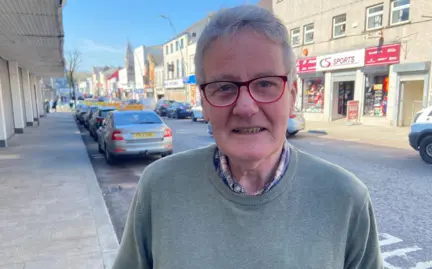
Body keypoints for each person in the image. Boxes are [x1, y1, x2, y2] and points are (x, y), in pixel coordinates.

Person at [112, 5, 383, 269]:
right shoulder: (159, 187)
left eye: (265, 83)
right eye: (224, 87)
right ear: (204, 103)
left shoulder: (347, 199)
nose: (245, 107)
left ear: (291, 96)